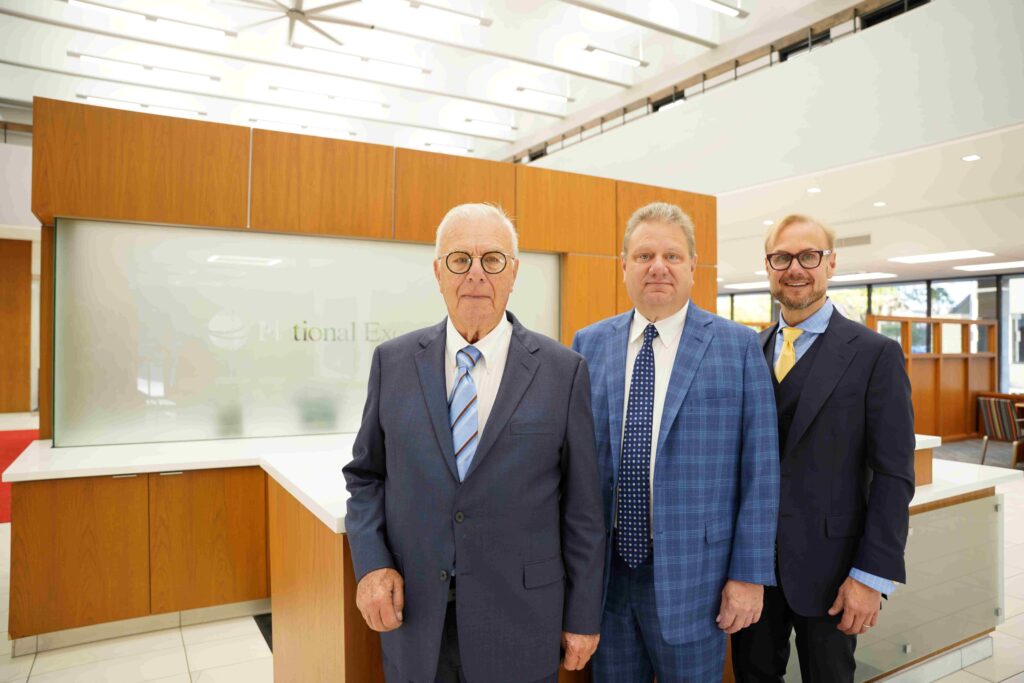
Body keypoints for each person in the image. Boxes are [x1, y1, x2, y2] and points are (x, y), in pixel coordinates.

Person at [343, 203, 606, 683]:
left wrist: (584, 617)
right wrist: (372, 565)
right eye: (460, 260)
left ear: (514, 273)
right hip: (417, 619)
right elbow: (366, 476)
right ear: (439, 272)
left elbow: (584, 509)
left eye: (493, 260)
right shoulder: (393, 362)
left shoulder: (563, 371)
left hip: (521, 622)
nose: (476, 275)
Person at [572, 202, 780, 683]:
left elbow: (762, 470)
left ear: (692, 266)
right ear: (624, 266)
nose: (658, 267)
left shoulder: (737, 347)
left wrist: (748, 576)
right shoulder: (588, 345)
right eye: (644, 256)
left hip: (697, 580)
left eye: (672, 255)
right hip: (607, 582)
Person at [731, 214, 916, 682]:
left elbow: (894, 476)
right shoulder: (746, 352)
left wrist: (871, 576)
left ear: (831, 264)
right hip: (751, 573)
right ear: (768, 266)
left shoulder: (875, 355)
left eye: (808, 256)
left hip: (834, 574)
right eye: (781, 257)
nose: (795, 268)